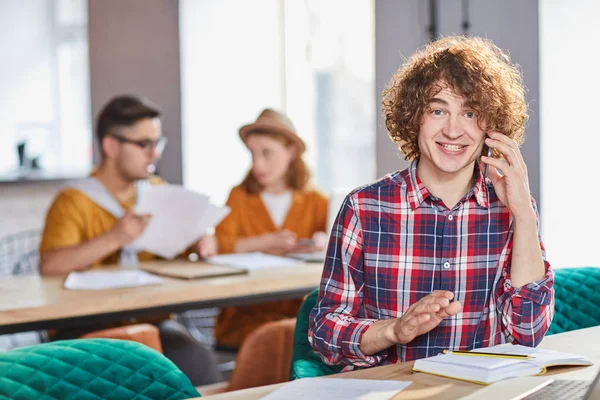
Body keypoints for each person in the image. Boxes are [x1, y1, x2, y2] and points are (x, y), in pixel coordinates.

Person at [308, 36, 554, 371]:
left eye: (470, 113)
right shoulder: (364, 207)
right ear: (414, 118)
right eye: (438, 110)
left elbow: (529, 333)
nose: (454, 130)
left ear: (491, 129)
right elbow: (325, 332)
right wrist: (394, 330)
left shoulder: (514, 207)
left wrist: (524, 215)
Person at [39, 95, 221, 385]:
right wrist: (116, 237)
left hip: (154, 321)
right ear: (111, 146)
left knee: (198, 363)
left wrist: (204, 239)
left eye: (157, 143)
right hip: (87, 327)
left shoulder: (157, 191)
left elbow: (189, 239)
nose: (155, 154)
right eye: (144, 144)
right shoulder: (73, 200)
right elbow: (51, 265)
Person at [213, 108, 328, 349]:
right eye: (253, 154)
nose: (257, 164)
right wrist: (267, 241)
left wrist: (326, 242)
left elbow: (338, 249)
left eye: (267, 153)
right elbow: (219, 244)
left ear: (292, 151)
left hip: (300, 317)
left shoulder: (316, 201)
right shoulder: (239, 196)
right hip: (245, 319)